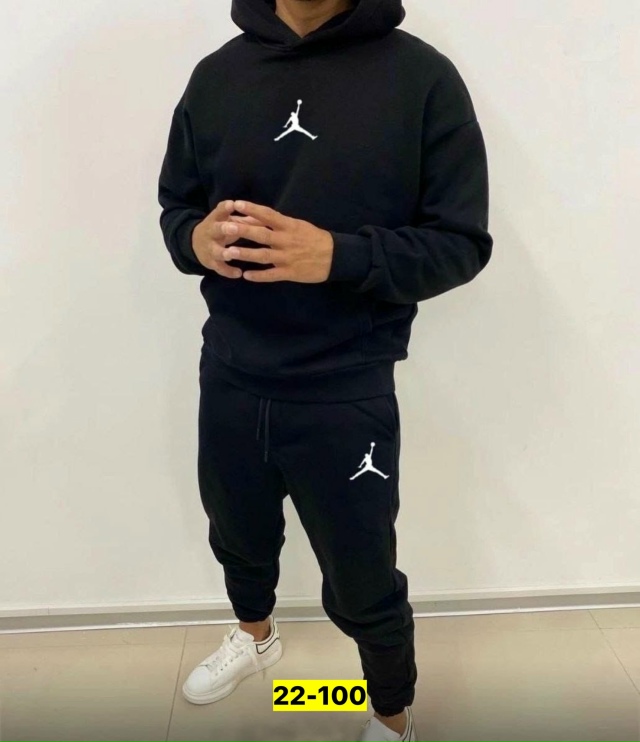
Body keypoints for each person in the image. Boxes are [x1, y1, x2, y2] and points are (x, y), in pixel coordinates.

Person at [157, 0, 493, 739]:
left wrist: (340, 256)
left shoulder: (423, 79)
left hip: (346, 385)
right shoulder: (216, 76)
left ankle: (390, 715)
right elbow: (177, 209)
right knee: (237, 536)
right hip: (230, 371)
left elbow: (461, 245)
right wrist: (193, 240)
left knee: (363, 577)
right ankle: (256, 639)